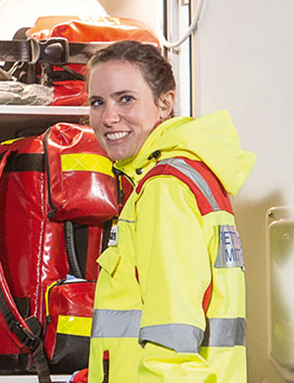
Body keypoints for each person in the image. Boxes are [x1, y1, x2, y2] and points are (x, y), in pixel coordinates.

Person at [83, 40, 255, 383]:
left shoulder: (164, 188)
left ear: (165, 103)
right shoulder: (190, 174)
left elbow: (171, 334)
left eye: (126, 99)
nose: (108, 117)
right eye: (97, 103)